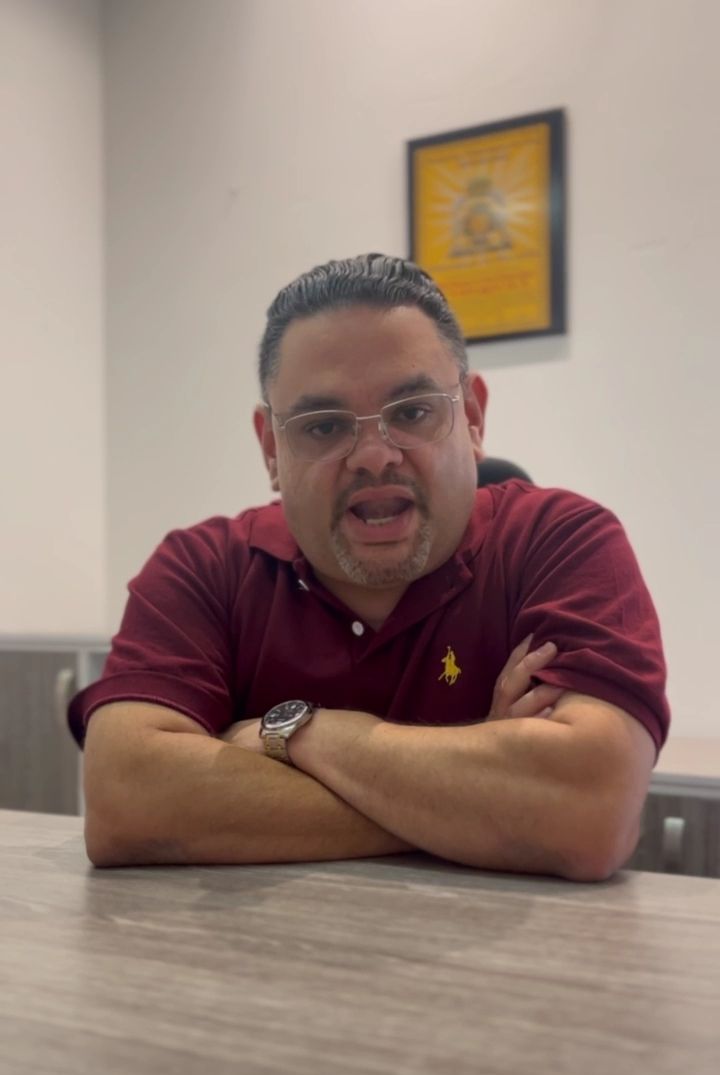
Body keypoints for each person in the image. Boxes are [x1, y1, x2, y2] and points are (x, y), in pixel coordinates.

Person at [69, 253, 669, 880]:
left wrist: (295, 735)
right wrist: (484, 802)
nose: (374, 456)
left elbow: (588, 813)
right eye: (324, 426)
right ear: (271, 448)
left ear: (471, 418)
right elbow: (126, 800)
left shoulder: (561, 542)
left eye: (411, 412)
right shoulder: (202, 568)